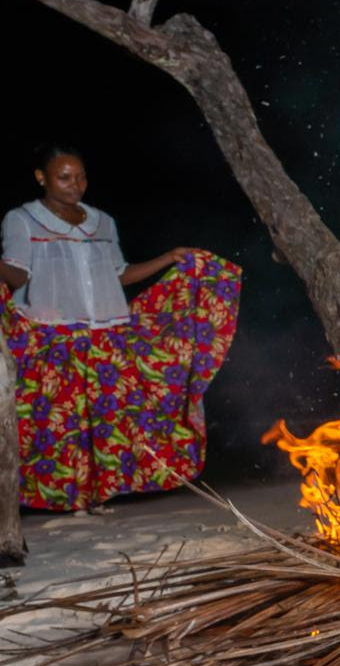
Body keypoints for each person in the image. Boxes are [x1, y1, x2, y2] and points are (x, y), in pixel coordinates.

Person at [0, 144, 241, 511]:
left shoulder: (102, 222)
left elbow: (119, 274)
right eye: (64, 177)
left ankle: (98, 496)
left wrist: (169, 258)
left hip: (108, 336)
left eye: (80, 176)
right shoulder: (22, 220)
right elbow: (18, 276)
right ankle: (66, 500)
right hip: (54, 336)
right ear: (41, 177)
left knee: (109, 422)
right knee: (61, 426)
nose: (75, 185)